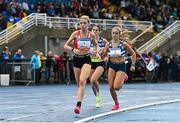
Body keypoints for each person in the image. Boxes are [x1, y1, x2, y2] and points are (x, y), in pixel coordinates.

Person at [64, 15, 100, 114]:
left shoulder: (91, 35)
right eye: (81, 23)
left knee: (82, 81)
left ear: (88, 24)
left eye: (85, 23)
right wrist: (72, 49)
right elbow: (65, 45)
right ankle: (81, 99)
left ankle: (78, 106)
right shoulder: (75, 33)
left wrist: (95, 52)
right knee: (79, 84)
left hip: (86, 59)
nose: (83, 25)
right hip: (76, 59)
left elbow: (96, 45)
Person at [103, 27, 136, 110]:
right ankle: (116, 104)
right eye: (113, 33)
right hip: (112, 65)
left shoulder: (123, 44)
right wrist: (105, 56)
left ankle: (123, 76)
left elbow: (133, 54)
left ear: (119, 34)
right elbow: (104, 54)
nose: (114, 35)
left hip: (121, 65)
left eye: (116, 33)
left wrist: (133, 65)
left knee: (116, 87)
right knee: (111, 87)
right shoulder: (108, 44)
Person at [89, 25, 108, 108]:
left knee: (93, 79)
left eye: (97, 30)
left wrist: (107, 57)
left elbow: (110, 50)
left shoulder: (103, 41)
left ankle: (98, 94)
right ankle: (97, 97)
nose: (95, 31)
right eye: (93, 30)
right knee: (92, 83)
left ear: (99, 31)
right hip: (91, 63)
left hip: (100, 63)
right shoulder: (89, 40)